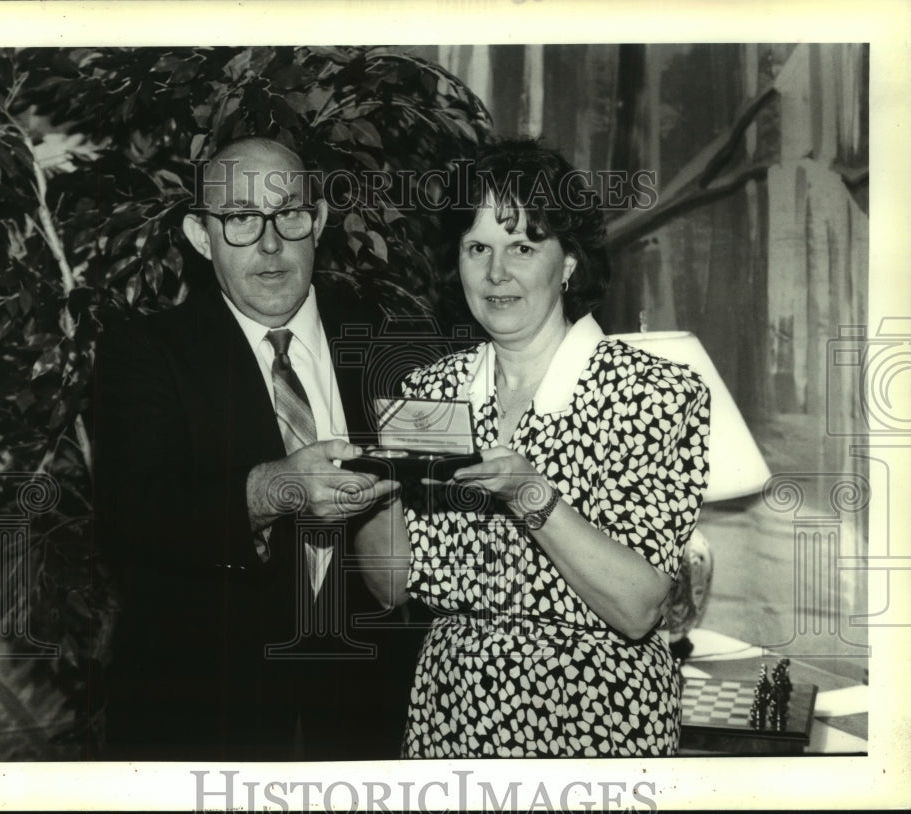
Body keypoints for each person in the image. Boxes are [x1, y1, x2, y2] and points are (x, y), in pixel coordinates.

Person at [355, 138, 711, 757]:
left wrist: (531, 494)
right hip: (452, 717)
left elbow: (637, 608)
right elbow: (391, 586)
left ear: (568, 262)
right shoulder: (430, 390)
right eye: (478, 248)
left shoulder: (655, 394)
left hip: (595, 718)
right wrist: (368, 492)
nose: (497, 273)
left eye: (523, 246)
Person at [94, 136, 409, 761]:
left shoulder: (390, 344)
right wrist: (270, 489)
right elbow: (136, 515)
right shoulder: (146, 352)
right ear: (199, 234)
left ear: (316, 221)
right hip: (204, 713)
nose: (269, 244)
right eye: (239, 219)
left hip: (370, 708)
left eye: (288, 214)